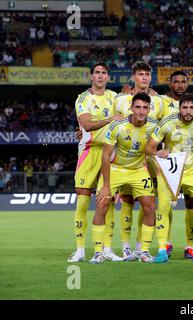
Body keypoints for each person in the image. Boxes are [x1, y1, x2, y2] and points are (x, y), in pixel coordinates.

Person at [145, 92, 193, 263]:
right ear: (179, 108)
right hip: (171, 170)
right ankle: (162, 250)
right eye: (184, 107)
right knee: (163, 208)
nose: (188, 111)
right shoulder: (167, 122)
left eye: (192, 108)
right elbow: (149, 147)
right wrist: (158, 151)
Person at [90, 92, 159, 264]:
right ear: (131, 108)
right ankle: (98, 252)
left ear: (149, 109)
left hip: (139, 169)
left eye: (145, 107)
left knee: (150, 207)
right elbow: (105, 156)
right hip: (116, 168)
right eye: (138, 107)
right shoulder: (117, 126)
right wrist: (106, 185)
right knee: (102, 204)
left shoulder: (154, 126)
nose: (141, 111)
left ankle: (144, 251)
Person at [68, 62, 121, 263]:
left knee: (105, 200)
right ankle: (80, 249)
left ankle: (106, 249)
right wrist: (110, 119)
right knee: (82, 201)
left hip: (109, 151)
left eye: (104, 73)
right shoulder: (83, 98)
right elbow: (88, 125)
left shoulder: (115, 98)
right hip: (89, 151)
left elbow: (126, 115)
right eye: (97, 72)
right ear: (92, 76)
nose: (100, 76)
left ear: (108, 77)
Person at [113, 61, 165, 261]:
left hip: (149, 160)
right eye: (140, 74)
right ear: (133, 76)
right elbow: (113, 123)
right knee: (127, 201)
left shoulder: (158, 101)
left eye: (147, 74)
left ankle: (140, 247)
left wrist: (163, 150)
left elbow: (164, 127)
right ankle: (126, 247)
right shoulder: (121, 98)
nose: (144, 78)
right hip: (126, 160)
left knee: (148, 202)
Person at [160, 70, 193, 259]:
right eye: (176, 82)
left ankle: (190, 246)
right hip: (170, 164)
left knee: (192, 203)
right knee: (167, 205)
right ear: (170, 84)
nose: (180, 85)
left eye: (183, 82)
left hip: (192, 165)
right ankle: (166, 243)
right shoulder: (162, 102)